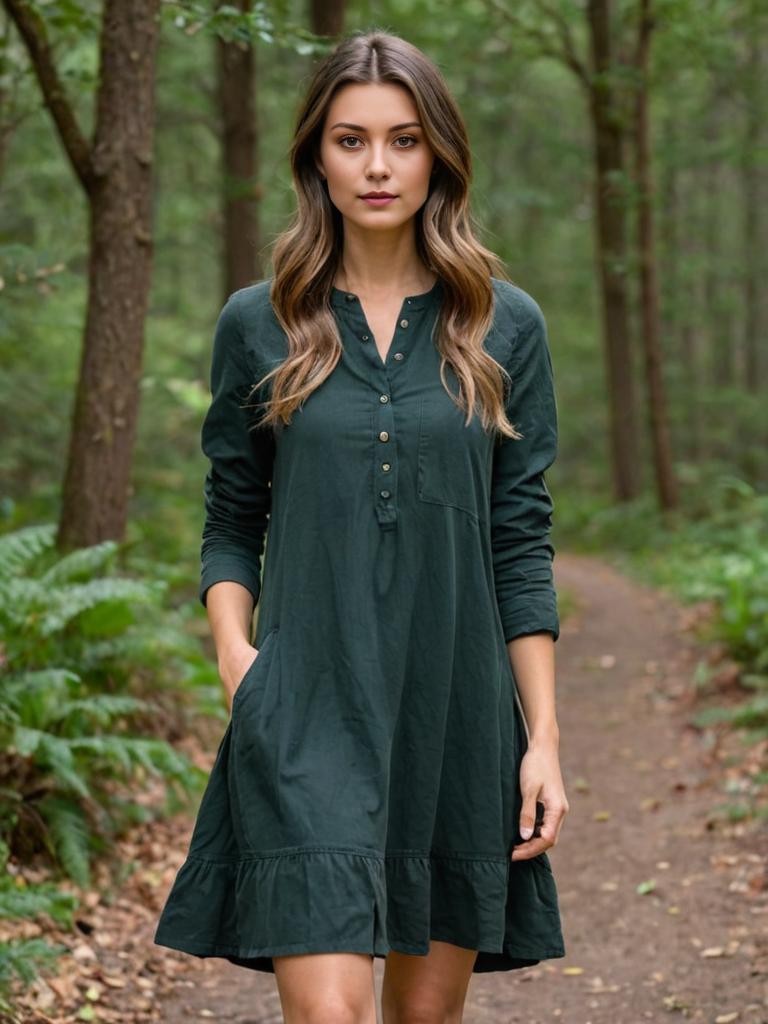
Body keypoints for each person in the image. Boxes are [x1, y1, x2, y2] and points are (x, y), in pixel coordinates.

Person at [154, 28, 569, 1024]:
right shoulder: (259, 322)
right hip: (308, 710)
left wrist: (544, 737)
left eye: (404, 139)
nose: (378, 165)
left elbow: (520, 539)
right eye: (351, 140)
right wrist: (236, 658)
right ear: (316, 159)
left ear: (440, 155)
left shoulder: (505, 325)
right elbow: (231, 510)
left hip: (456, 715)